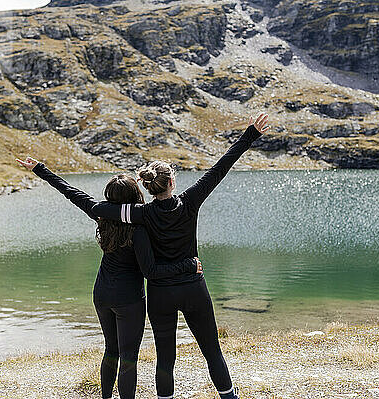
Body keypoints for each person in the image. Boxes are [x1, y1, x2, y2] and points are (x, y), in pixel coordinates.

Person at [90, 113, 270, 399]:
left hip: (161, 294)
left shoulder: (140, 215)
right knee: (212, 351)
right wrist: (250, 134)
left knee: (165, 359)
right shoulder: (191, 200)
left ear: (148, 187)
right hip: (192, 287)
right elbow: (221, 167)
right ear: (172, 181)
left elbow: (101, 209)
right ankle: (229, 397)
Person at [15, 157, 202, 399]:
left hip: (101, 293)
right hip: (129, 300)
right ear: (136, 196)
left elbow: (70, 192)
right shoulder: (140, 229)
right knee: (128, 358)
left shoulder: (102, 218)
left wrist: (40, 169)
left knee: (111, 350)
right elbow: (151, 272)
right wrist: (188, 265)